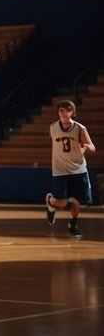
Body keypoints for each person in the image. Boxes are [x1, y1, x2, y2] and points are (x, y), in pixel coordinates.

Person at [45, 100, 95, 238]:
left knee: (77, 201)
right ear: (58, 112)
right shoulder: (53, 127)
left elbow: (92, 147)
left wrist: (84, 146)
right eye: (61, 110)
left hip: (78, 169)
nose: (64, 113)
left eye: (67, 110)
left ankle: (73, 224)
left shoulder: (80, 128)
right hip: (60, 169)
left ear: (72, 112)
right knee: (61, 202)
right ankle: (51, 202)